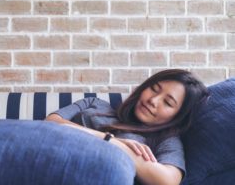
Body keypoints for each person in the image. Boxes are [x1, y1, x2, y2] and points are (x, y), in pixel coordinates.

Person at [45, 69, 208, 185]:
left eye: (167, 102)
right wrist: (111, 141)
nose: (153, 100)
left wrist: (121, 149)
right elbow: (51, 122)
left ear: (177, 116)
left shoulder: (165, 140)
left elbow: (167, 180)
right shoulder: (95, 103)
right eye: (154, 89)